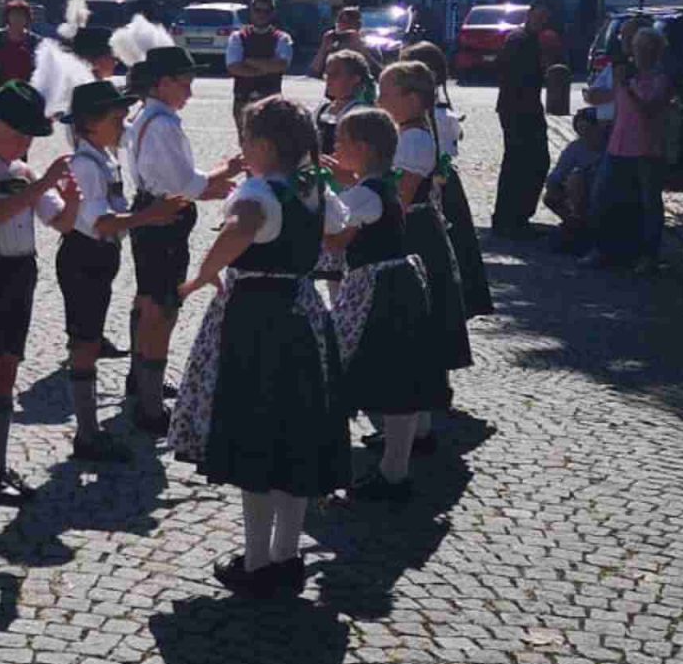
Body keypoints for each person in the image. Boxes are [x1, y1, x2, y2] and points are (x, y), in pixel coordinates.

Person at [162, 96, 351, 597]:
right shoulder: (313, 190)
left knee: (257, 436)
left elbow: (239, 229)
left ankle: (257, 561)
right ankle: (286, 556)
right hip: (305, 316)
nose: (242, 147)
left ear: (264, 146)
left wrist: (203, 275)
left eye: (246, 139)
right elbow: (337, 228)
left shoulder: (259, 193)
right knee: (294, 438)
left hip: (257, 321)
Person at [0, 83, 77, 507]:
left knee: (8, 367)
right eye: (19, 133)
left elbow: (60, 222)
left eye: (30, 136)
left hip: (21, 272)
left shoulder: (24, 173)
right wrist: (43, 183)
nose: (25, 143)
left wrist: (73, 200)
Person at [325, 105, 446, 502]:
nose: (335, 147)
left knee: (385, 375)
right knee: (399, 375)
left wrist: (319, 196)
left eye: (341, 141)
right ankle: (396, 464)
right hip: (396, 283)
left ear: (362, 148)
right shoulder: (380, 185)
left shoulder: (365, 193)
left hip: (378, 289)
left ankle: (393, 472)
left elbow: (335, 238)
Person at [122, 45, 219, 436]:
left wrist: (216, 177)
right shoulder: (162, 123)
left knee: (148, 299)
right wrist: (219, 184)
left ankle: (140, 380)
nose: (190, 92)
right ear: (163, 83)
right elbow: (184, 184)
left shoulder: (148, 115)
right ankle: (149, 404)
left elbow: (180, 177)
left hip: (153, 213)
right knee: (161, 308)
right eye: (185, 83)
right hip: (163, 220)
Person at [377, 59, 469, 445]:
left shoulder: (413, 139)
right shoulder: (407, 133)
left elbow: (401, 196)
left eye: (386, 94)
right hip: (412, 230)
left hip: (413, 234)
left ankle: (415, 427)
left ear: (412, 99)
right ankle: (415, 425)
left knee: (413, 326)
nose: (379, 100)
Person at [45, 79, 137, 464]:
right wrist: (149, 217)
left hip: (99, 256)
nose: (123, 125)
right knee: (84, 344)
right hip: (84, 256)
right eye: (116, 119)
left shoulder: (103, 157)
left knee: (90, 338)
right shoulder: (85, 165)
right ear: (91, 124)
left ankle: (89, 429)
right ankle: (86, 433)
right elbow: (100, 221)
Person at [405, 41, 493, 316]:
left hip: (435, 186)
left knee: (448, 246)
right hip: (437, 182)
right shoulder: (436, 114)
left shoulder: (439, 117)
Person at [595, 28, 674, 270]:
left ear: (654, 52)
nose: (638, 53)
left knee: (648, 204)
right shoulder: (628, 74)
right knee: (606, 197)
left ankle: (648, 256)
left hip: (646, 149)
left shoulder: (660, 80)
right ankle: (607, 249)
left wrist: (627, 87)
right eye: (637, 48)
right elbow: (605, 99)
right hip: (618, 145)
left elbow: (648, 110)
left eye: (644, 49)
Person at [492, 2, 564, 234]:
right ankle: (511, 218)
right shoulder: (519, 40)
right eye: (539, 16)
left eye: (545, 18)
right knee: (522, 164)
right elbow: (511, 72)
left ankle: (514, 217)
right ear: (530, 15)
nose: (542, 21)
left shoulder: (530, 40)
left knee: (529, 163)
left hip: (526, 108)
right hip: (518, 110)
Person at [223, 0, 292, 136]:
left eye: (266, 11)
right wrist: (267, 67)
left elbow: (281, 65)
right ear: (251, 12)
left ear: (272, 13)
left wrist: (249, 61)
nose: (261, 15)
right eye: (258, 10)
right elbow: (233, 67)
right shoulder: (237, 37)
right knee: (245, 140)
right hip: (243, 100)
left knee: (271, 141)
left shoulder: (282, 38)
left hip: (271, 101)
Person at [543, 108, 608, 254]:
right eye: (581, 131)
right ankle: (577, 223)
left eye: (589, 130)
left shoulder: (610, 148)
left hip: (603, 193)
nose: (586, 135)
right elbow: (558, 173)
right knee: (554, 194)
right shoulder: (575, 147)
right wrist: (554, 184)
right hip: (579, 196)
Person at [313, 46, 376, 158]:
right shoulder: (322, 110)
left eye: (335, 74)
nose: (329, 80)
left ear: (355, 79)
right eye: (327, 74)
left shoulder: (361, 113)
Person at [0, 0, 39, 88]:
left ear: (27, 18)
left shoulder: (33, 40)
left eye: (21, 15)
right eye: (14, 15)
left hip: (25, 88)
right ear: (7, 17)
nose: (17, 18)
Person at [313, 5, 364, 83]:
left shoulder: (367, 44)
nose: (343, 25)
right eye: (340, 21)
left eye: (348, 22)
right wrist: (324, 46)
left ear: (358, 25)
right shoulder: (333, 45)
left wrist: (359, 46)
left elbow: (377, 70)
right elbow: (314, 71)